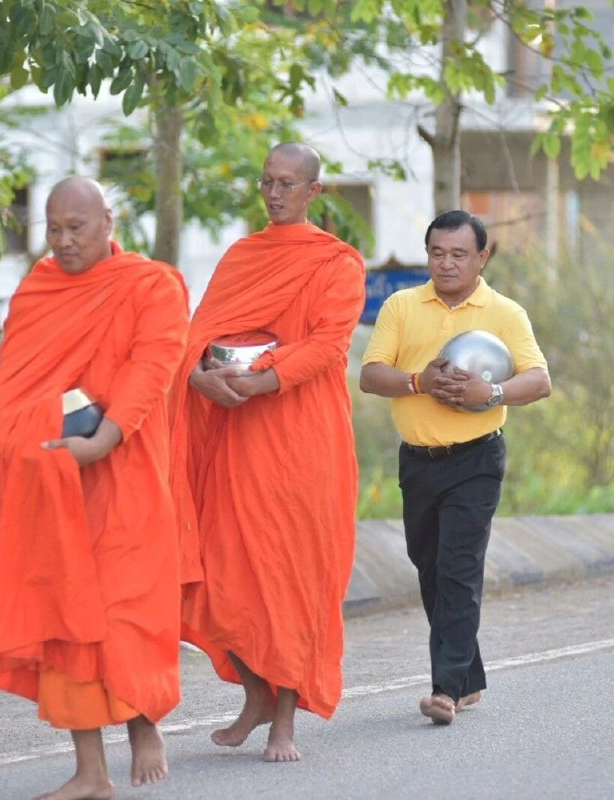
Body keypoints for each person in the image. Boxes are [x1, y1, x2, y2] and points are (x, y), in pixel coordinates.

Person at [0, 176, 189, 799]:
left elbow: (155, 366)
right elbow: (12, 387)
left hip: (124, 474)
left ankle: (145, 720)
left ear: (109, 222)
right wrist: (31, 437)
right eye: (54, 228)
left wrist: (105, 437)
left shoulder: (151, 285)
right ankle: (90, 772)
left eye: (78, 228)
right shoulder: (37, 290)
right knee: (66, 618)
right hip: (54, 479)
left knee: (124, 612)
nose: (64, 242)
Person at [168, 142, 365, 762]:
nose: (274, 194)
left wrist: (261, 379)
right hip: (236, 436)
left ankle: (284, 718)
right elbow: (199, 329)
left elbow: (329, 345)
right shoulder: (243, 256)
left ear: (314, 192)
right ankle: (254, 692)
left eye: (287, 184)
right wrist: (199, 372)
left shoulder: (338, 263)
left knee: (291, 575)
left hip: (303, 438)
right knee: (225, 572)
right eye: (267, 183)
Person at [358, 209, 551, 725]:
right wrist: (419, 382)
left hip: (476, 457)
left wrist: (487, 391)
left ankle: (445, 690)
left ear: (483, 257)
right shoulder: (401, 306)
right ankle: (468, 677)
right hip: (418, 461)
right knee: (430, 569)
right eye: (437, 253)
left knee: (457, 570)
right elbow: (372, 375)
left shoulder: (505, 313)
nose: (446, 264)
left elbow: (539, 380)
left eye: (459, 254)